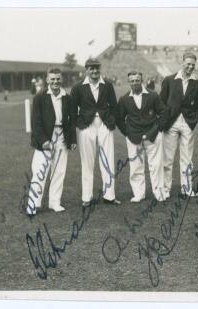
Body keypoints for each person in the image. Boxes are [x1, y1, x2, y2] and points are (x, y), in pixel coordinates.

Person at [26, 67, 77, 216]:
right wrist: (43, 141)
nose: (55, 82)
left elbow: (71, 121)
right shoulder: (40, 97)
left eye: (58, 79)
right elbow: (36, 122)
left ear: (61, 80)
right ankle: (33, 204)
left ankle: (55, 202)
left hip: (62, 137)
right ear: (47, 80)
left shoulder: (67, 98)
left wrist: (72, 139)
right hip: (45, 138)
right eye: (52, 79)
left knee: (59, 172)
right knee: (40, 171)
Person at [70, 57, 120, 206]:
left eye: (97, 68)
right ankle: (87, 197)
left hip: (104, 124)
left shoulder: (108, 85)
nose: (94, 71)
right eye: (91, 68)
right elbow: (73, 110)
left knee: (108, 160)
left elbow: (114, 106)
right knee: (87, 162)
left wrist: (111, 120)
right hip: (87, 126)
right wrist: (80, 123)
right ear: (86, 70)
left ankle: (109, 196)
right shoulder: (78, 87)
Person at [116, 71, 167, 202]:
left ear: (141, 80)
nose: (134, 83)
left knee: (156, 165)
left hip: (153, 134)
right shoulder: (124, 98)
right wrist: (127, 133)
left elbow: (163, 112)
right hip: (133, 136)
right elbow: (119, 119)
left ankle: (158, 192)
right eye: (132, 81)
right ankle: (139, 193)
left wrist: (158, 129)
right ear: (129, 82)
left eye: (137, 80)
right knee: (135, 166)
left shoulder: (152, 95)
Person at [159, 52, 198, 198]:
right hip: (171, 124)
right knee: (168, 159)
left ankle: (187, 188)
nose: (190, 67)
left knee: (187, 159)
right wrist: (163, 123)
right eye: (188, 63)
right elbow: (161, 103)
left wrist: (194, 121)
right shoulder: (169, 80)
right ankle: (165, 189)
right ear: (182, 62)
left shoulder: (197, 84)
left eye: (193, 65)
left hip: (188, 124)